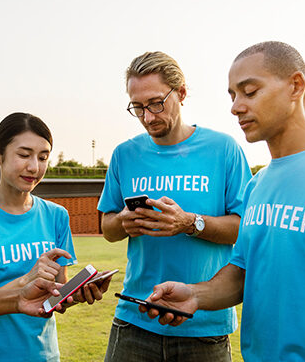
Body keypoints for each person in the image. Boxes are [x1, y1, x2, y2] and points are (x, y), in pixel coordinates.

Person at [140, 41, 305, 361]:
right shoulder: (258, 185)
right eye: (232, 95)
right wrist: (194, 294)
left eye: (249, 92)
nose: (236, 106)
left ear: (296, 86)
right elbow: (240, 273)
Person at [98, 51, 251, 361]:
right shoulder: (124, 154)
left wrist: (190, 222)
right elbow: (107, 228)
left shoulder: (224, 149)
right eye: (138, 107)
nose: (148, 116)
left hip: (204, 324)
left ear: (181, 93)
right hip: (134, 318)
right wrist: (124, 221)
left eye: (156, 103)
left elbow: (244, 229)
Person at [0, 112, 107, 361]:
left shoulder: (56, 216)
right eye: (24, 155)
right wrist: (24, 283)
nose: (34, 167)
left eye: (43, 157)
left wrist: (75, 294)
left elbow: (53, 297)